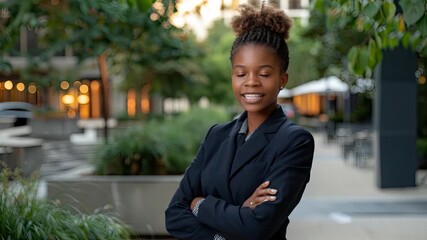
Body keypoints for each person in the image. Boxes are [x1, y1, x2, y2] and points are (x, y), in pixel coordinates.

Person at [165, 2, 315, 240]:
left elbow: (258, 227)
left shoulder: (295, 141)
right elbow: (173, 215)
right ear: (232, 76)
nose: (251, 82)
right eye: (241, 73)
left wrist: (200, 204)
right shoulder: (216, 135)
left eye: (264, 74)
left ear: (282, 79)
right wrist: (227, 228)